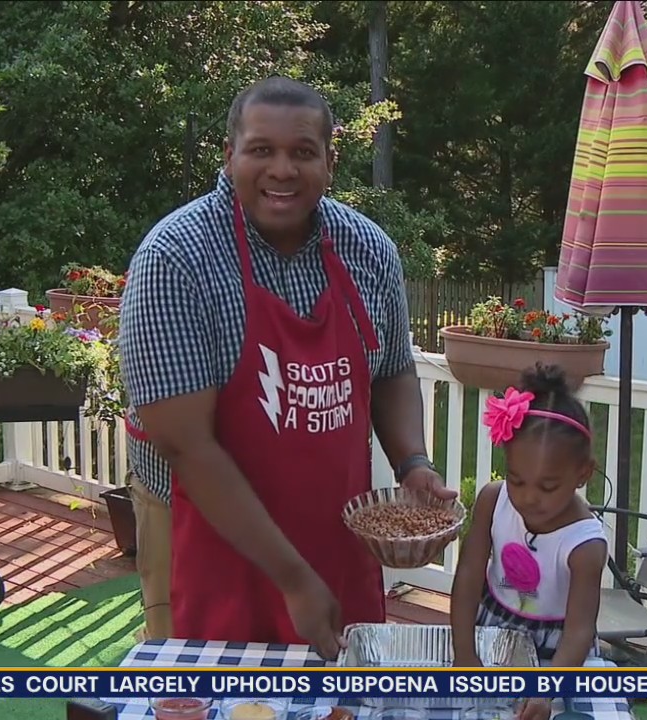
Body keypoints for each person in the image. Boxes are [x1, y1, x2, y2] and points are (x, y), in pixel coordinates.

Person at [118, 75, 456, 657]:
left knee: (339, 684)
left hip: (333, 524)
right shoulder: (174, 260)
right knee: (211, 688)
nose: (282, 170)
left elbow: (394, 371)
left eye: (302, 152)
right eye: (260, 151)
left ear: (331, 160)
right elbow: (189, 449)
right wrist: (294, 579)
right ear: (230, 157)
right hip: (205, 525)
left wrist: (413, 462)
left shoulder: (368, 249)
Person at [450, 363, 609, 720]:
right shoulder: (493, 500)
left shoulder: (586, 545)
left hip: (558, 651)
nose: (528, 498)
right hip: (490, 630)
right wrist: (463, 651)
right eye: (516, 480)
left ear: (583, 473)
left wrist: (548, 689)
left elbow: (580, 629)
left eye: (547, 486)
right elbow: (468, 578)